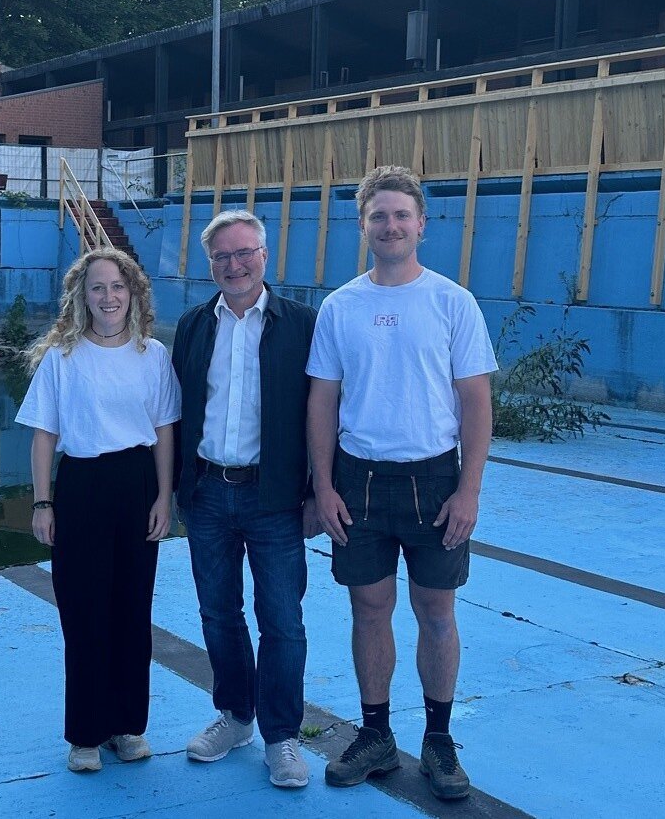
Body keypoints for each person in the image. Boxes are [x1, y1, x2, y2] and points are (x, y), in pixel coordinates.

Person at [307, 165, 497, 800]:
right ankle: (376, 733)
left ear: (421, 224)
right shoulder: (341, 307)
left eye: (400, 215)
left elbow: (475, 402)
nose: (390, 226)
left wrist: (468, 489)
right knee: (368, 607)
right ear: (362, 226)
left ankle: (439, 743)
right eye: (377, 216)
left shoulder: (452, 302)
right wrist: (324, 486)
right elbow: (322, 404)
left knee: (436, 609)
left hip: (434, 480)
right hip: (358, 481)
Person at [16, 247, 181, 774]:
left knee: (132, 611)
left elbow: (163, 433)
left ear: (132, 293)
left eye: (117, 287)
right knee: (84, 611)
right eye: (97, 288)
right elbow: (45, 437)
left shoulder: (152, 355)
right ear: (80, 297)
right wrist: (44, 502)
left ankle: (128, 726)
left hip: (136, 487)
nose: (108, 297)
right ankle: (86, 733)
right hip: (82, 486)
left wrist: (163, 495)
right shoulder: (62, 357)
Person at [171, 211, 318, 789]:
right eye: (222, 257)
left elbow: (323, 415)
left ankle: (282, 736)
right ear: (210, 265)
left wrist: (315, 492)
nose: (234, 265)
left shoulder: (303, 324)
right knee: (218, 612)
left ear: (265, 255)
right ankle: (235, 715)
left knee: (282, 619)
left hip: (274, 497)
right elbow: (176, 413)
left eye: (244, 253)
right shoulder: (192, 326)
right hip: (207, 492)